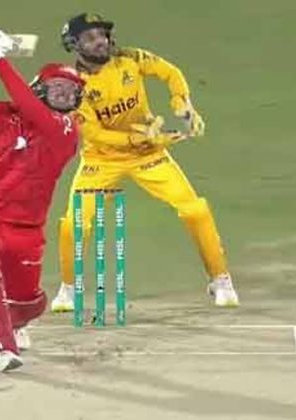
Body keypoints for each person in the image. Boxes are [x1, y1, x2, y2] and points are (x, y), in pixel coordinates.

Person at [50, 13, 239, 313]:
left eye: (102, 34)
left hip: (148, 156)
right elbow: (95, 134)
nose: (100, 41)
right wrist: (138, 138)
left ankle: (221, 280)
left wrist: (183, 104)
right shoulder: (75, 85)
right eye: (90, 38)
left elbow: (170, 73)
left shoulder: (131, 58)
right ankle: (69, 289)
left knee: (195, 210)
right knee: (74, 225)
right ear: (74, 45)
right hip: (102, 161)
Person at [0, 28, 85, 372]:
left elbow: (30, 107)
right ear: (39, 88)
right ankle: (0, 348)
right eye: (57, 86)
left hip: (26, 230)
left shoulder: (66, 130)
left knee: (27, 303)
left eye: (72, 91)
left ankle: (16, 320)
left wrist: (0, 59)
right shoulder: (7, 117)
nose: (65, 93)